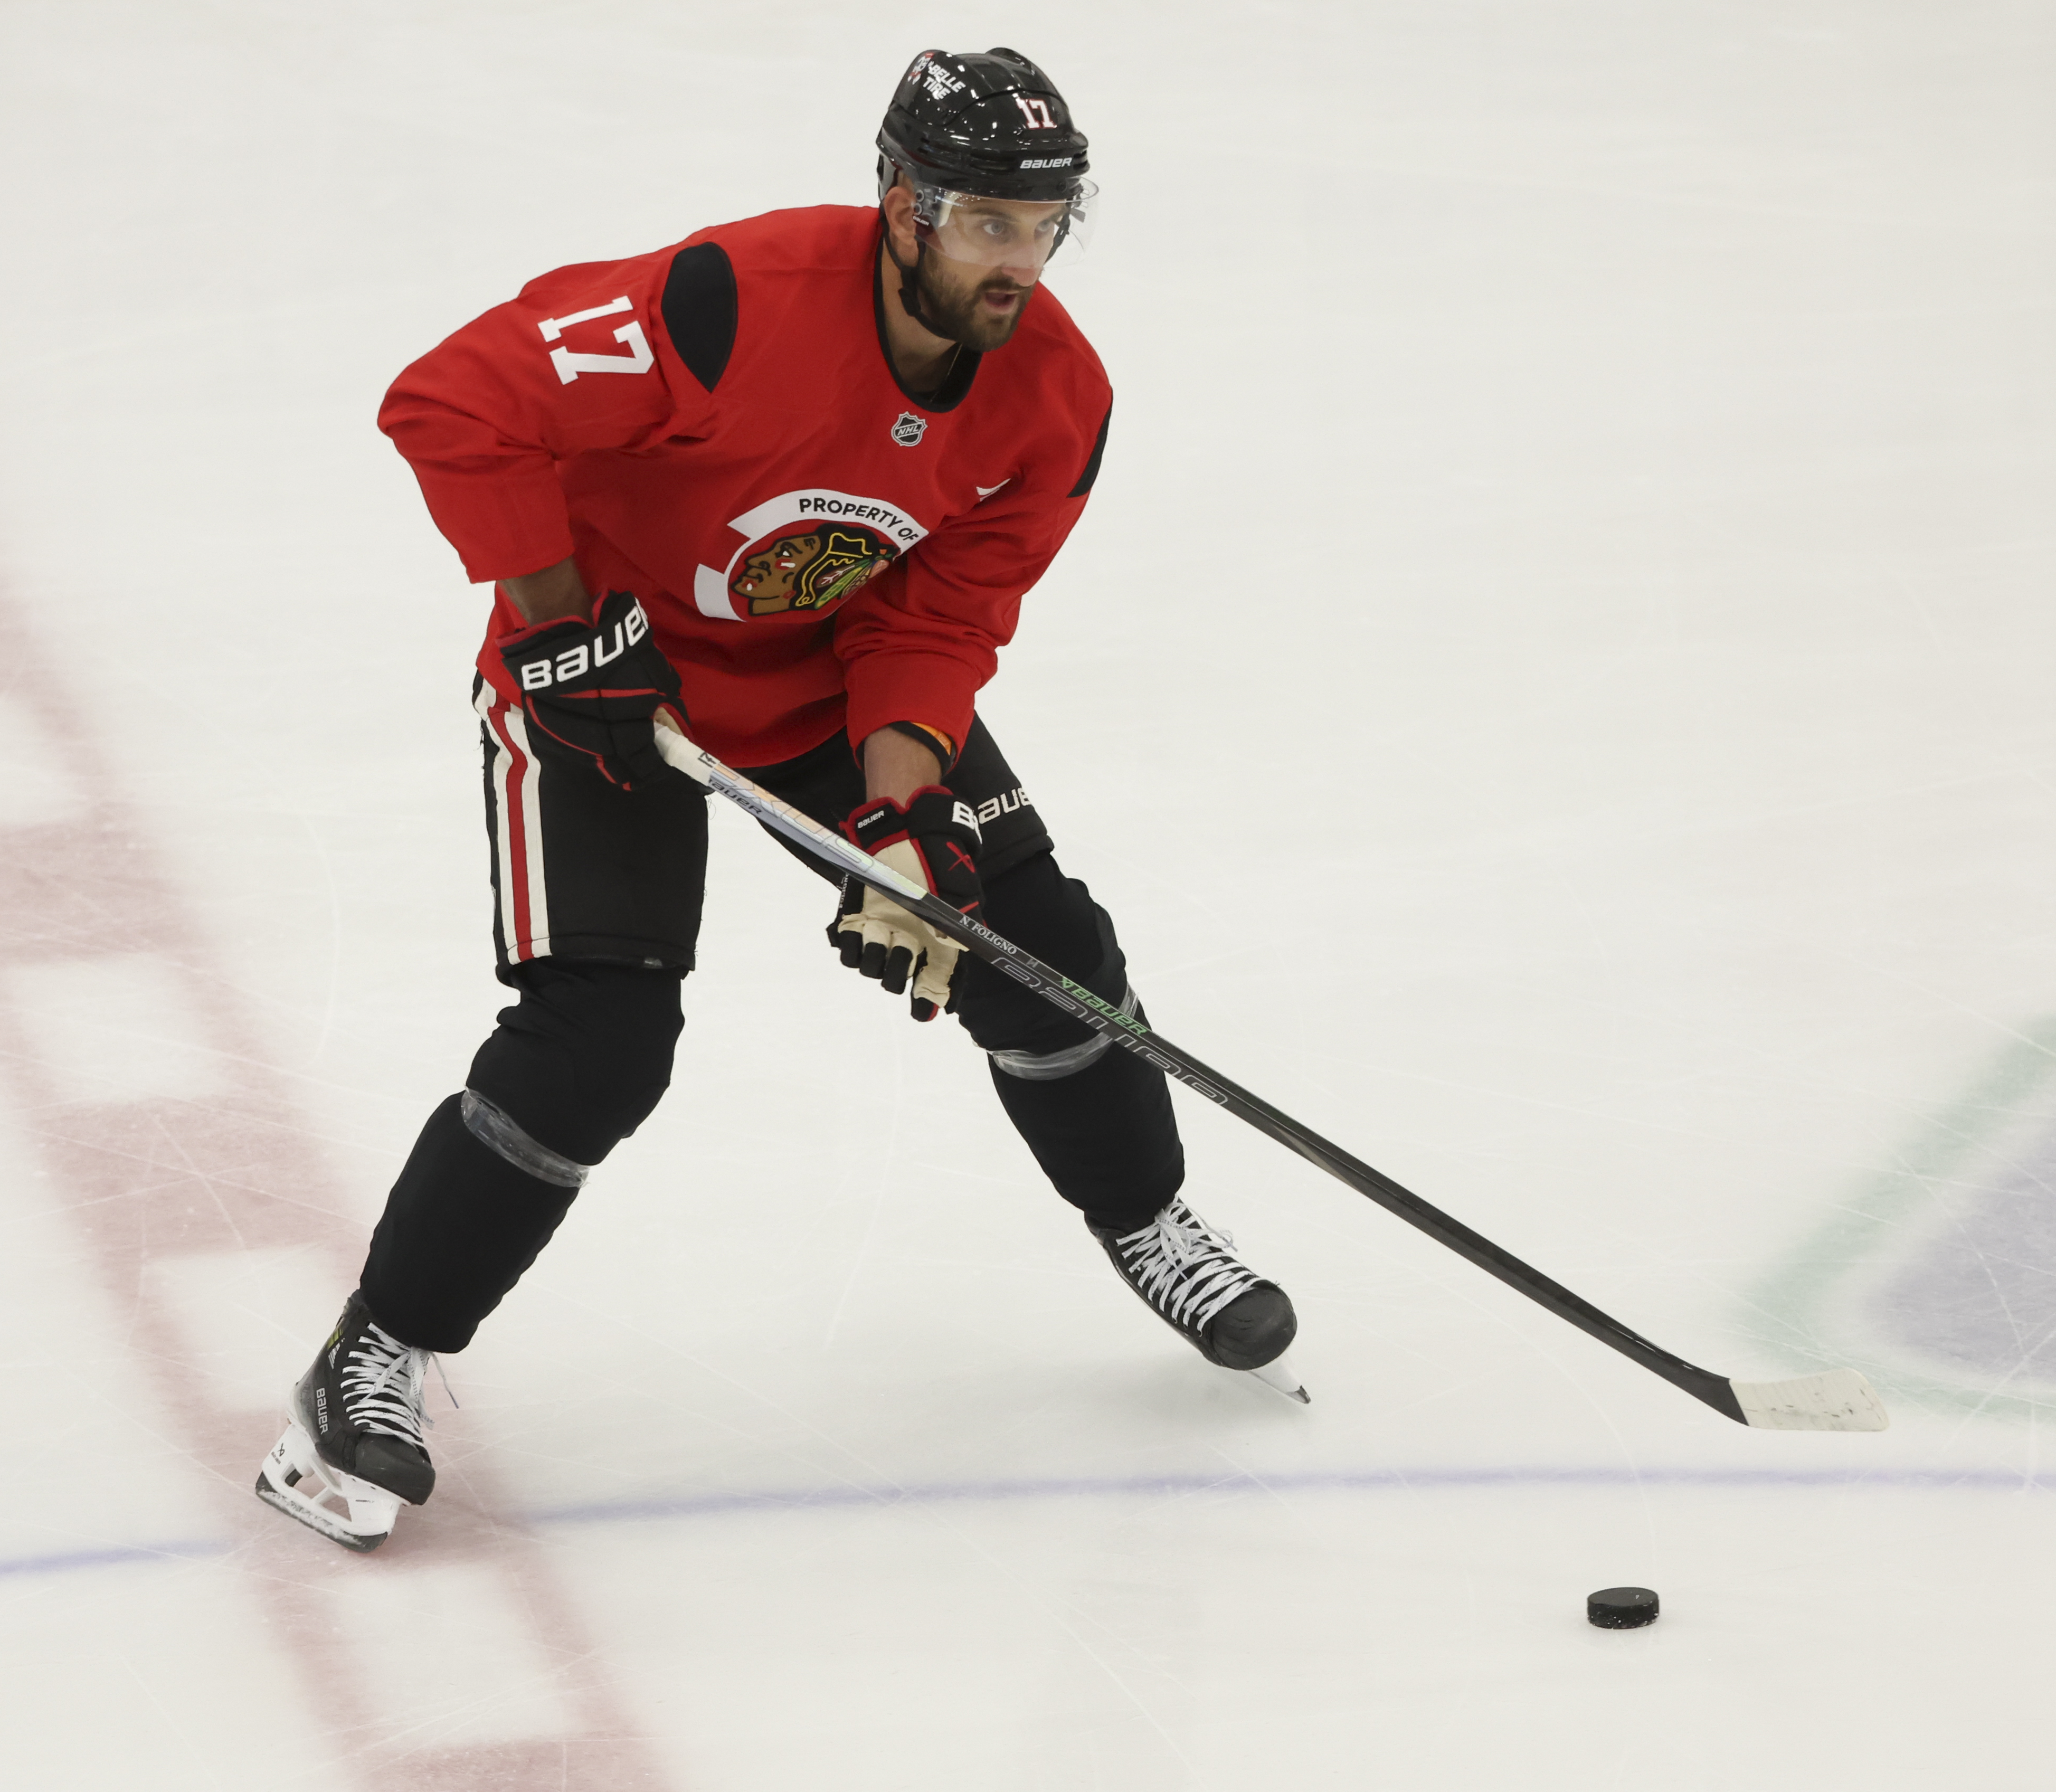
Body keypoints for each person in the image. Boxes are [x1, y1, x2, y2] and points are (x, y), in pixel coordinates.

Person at [258, 46, 1302, 1553]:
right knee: (597, 1044)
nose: (1017, 262)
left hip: (818, 688)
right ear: (901, 207)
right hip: (608, 687)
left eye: (1043, 226)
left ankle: (1146, 1218)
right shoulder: (721, 304)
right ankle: (375, 1347)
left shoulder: (1054, 399)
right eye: (983, 224)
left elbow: (935, 619)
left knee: (1035, 942)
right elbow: (452, 401)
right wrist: (562, 633)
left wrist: (899, 817)